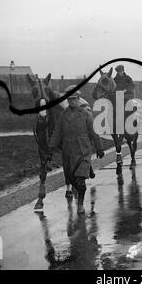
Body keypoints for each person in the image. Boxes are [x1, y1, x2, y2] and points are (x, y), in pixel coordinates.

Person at [48, 85, 104, 214]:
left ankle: (80, 204)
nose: (71, 101)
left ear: (78, 98)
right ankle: (76, 190)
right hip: (68, 153)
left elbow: (94, 132)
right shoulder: (63, 116)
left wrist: (99, 148)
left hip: (83, 152)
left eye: (73, 99)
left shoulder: (86, 115)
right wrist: (50, 148)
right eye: (69, 99)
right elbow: (56, 133)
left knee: (81, 181)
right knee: (72, 180)